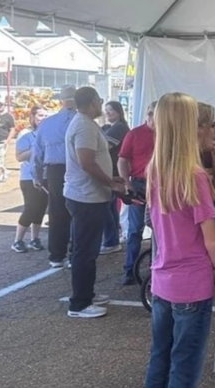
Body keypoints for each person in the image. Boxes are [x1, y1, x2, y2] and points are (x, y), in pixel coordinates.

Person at [144, 93, 215, 387]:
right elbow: (211, 239)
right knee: (185, 364)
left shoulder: (156, 169)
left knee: (160, 356)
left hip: (162, 279)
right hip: (192, 283)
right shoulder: (193, 175)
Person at [64, 86, 126, 318]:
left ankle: (86, 294)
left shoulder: (86, 124)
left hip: (89, 195)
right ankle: (79, 304)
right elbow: (86, 162)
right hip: (85, 197)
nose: (101, 105)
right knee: (85, 251)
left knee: (87, 250)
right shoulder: (84, 126)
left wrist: (111, 179)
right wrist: (110, 183)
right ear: (91, 103)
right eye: (99, 101)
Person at [33, 85, 77, 268]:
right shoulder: (80, 120)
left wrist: (36, 175)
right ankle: (75, 252)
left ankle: (56, 255)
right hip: (77, 168)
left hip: (54, 171)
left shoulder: (47, 123)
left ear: (61, 101)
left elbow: (37, 152)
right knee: (78, 209)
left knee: (57, 211)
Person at [118, 101, 157, 285]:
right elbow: (122, 160)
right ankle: (129, 270)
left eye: (154, 113)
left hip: (158, 185)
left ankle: (154, 270)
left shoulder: (167, 134)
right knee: (134, 230)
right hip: (139, 184)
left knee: (159, 230)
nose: (151, 117)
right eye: (149, 113)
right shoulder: (134, 134)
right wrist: (127, 183)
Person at [11, 106, 49, 253]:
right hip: (29, 177)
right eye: (40, 115)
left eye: (46, 115)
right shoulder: (26, 135)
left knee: (40, 209)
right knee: (31, 208)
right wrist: (36, 149)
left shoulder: (47, 134)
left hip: (45, 175)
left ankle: (35, 238)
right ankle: (18, 240)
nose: (43, 118)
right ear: (32, 117)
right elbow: (19, 157)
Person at [100, 101, 130, 255]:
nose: (107, 113)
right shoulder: (113, 127)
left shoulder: (119, 128)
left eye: (110, 110)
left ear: (119, 111)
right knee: (110, 206)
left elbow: (103, 146)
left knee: (105, 206)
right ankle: (111, 240)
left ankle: (110, 240)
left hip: (112, 170)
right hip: (112, 169)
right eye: (106, 111)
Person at [197, 102, 215, 198]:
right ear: (198, 129)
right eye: (213, 125)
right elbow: (208, 210)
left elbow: (213, 198)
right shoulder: (196, 174)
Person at [0, 99, 15, 182]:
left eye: (0, 105)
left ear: (3, 105)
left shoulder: (8, 116)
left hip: (2, 141)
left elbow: (12, 129)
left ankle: (1, 176)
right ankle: (3, 173)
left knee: (0, 159)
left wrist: (7, 141)